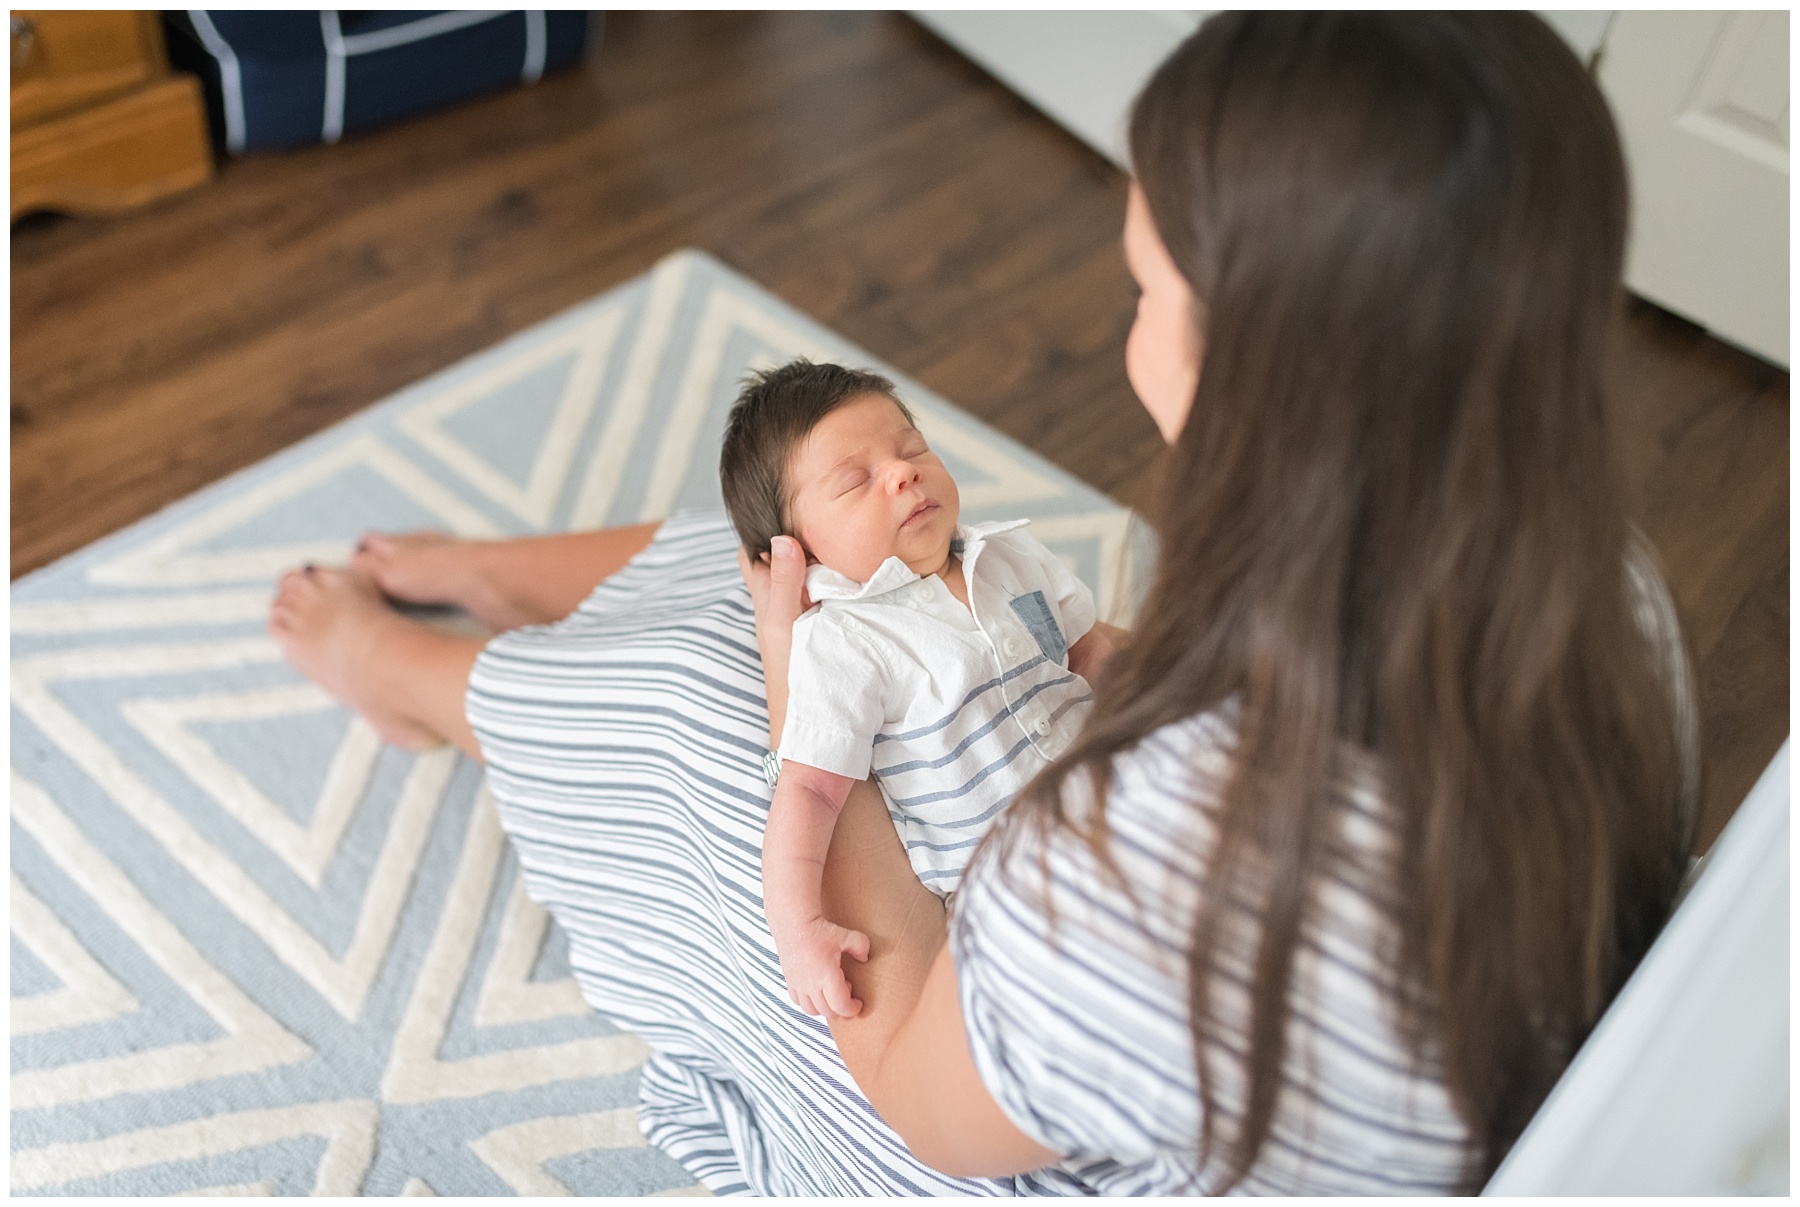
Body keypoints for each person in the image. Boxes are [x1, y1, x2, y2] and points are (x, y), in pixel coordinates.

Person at [269, 12, 1696, 1195]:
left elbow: (919, 1095)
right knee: (783, 545)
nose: (1126, 318)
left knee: (695, 701)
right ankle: (496, 574)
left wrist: (795, 693)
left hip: (1001, 1107)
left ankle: (434, 685)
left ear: (1258, 376)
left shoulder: (1171, 865)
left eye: (1146, 289)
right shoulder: (1614, 599)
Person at [717, 360, 1111, 1020]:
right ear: (802, 555)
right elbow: (808, 790)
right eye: (855, 481)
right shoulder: (844, 641)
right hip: (1013, 889)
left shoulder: (1010, 554)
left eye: (911, 448)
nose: (904, 473)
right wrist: (798, 928)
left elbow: (1091, 651)